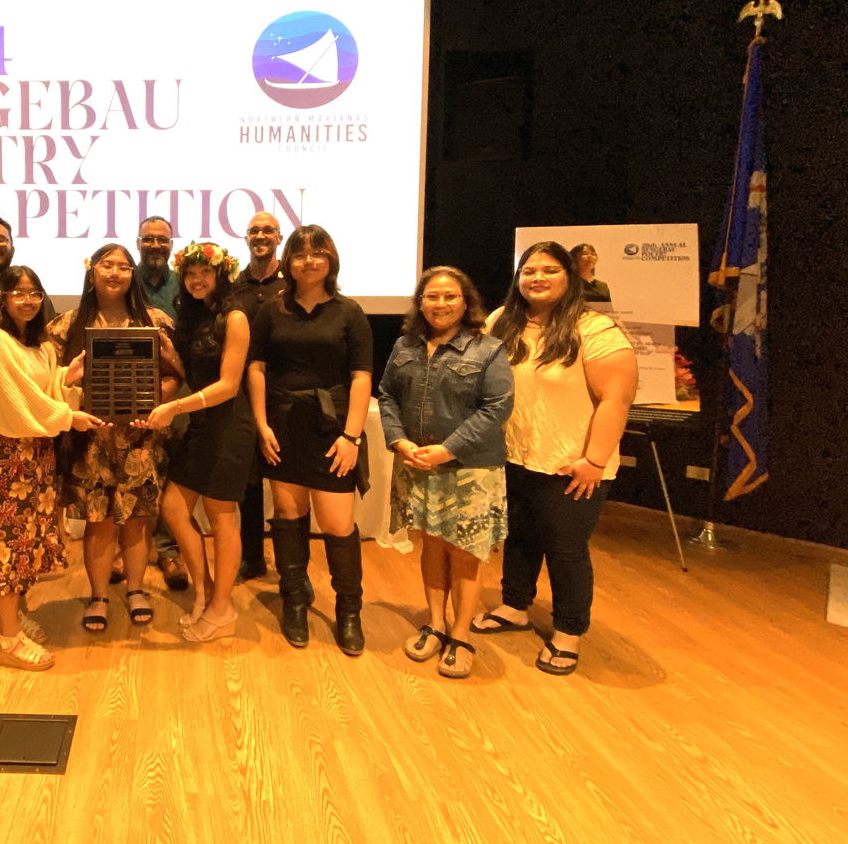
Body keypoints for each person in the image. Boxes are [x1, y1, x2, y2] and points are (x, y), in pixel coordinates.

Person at [474, 240, 637, 677]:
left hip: (571, 465)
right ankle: (514, 606)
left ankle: (568, 632)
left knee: (565, 550)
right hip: (513, 456)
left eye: (549, 270)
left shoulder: (595, 329)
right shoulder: (501, 322)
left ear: (570, 277)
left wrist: (594, 461)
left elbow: (616, 399)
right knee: (519, 537)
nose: (537, 278)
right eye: (529, 271)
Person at [0, 265, 105, 670]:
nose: (27, 301)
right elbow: (17, 398)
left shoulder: (41, 345)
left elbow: (41, 391)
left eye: (34, 293)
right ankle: (7, 638)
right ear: (2, 298)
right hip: (5, 455)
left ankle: (12, 618)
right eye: (18, 293)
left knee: (27, 539)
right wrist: (69, 417)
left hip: (36, 452)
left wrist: (66, 377)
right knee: (7, 541)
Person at [378, 266, 513, 679]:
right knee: (432, 547)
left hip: (471, 469)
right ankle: (436, 624)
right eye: (432, 296)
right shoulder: (405, 346)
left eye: (450, 296)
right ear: (420, 302)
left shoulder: (488, 349)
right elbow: (387, 395)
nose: (441, 304)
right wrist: (399, 441)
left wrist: (447, 449)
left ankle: (460, 635)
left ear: (466, 301)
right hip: (418, 463)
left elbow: (498, 407)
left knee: (465, 554)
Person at [246, 225, 373, 655]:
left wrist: (351, 436)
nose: (308, 261)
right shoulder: (272, 311)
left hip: (332, 427)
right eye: (299, 254)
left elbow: (361, 377)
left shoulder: (349, 312)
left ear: (330, 259)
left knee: (337, 524)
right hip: (282, 424)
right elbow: (256, 368)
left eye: (317, 253)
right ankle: (295, 600)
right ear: (288, 262)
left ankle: (349, 611)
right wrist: (261, 424)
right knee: (288, 514)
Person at [50, 243, 182, 632]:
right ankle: (98, 596)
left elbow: (175, 375)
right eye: (107, 265)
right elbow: (48, 381)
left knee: (138, 521)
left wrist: (155, 402)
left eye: (123, 267)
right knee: (99, 522)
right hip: (90, 442)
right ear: (92, 272)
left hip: (140, 441)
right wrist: (75, 408)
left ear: (132, 274)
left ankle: (136, 590)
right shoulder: (66, 326)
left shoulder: (155, 322)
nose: (115, 273)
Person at [139, 241, 256, 642]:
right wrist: (172, 355)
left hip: (229, 426)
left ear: (221, 274)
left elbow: (228, 385)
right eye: (189, 273)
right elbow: (196, 374)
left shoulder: (234, 318)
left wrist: (174, 407)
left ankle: (222, 610)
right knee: (173, 507)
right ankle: (205, 591)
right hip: (202, 424)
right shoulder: (195, 317)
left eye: (205, 272)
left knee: (222, 518)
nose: (197, 279)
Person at [227, 211, 286, 581]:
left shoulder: (294, 283)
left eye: (268, 230)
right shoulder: (233, 286)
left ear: (279, 238)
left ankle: (292, 567)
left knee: (287, 485)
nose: (260, 236)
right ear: (246, 238)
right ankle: (253, 557)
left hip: (284, 394)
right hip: (243, 397)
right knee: (248, 484)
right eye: (254, 231)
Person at [135, 216, 188, 591]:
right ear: (138, 242)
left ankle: (168, 550)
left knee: (173, 471)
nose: (155, 245)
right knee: (130, 470)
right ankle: (125, 549)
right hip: (128, 389)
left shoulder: (184, 283)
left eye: (162, 240)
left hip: (178, 389)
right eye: (148, 239)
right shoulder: (122, 279)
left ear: (171, 245)